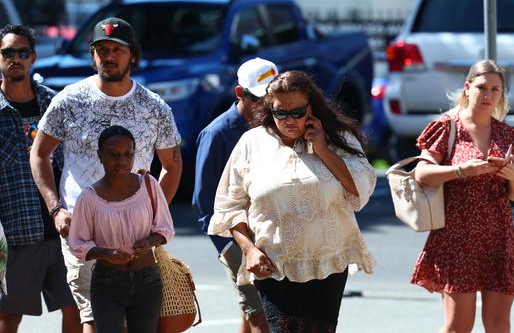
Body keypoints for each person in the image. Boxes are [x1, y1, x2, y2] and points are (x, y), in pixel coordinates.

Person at [30, 17, 182, 333]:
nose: (108, 56)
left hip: (137, 236)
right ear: (92, 55)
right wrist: (56, 209)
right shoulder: (69, 100)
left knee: (133, 322)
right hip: (82, 229)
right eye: (101, 50)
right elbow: (39, 154)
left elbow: (172, 165)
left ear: (133, 56)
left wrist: (154, 218)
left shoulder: (153, 107)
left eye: (117, 49)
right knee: (90, 320)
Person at [208, 70, 376, 332]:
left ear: (312, 108)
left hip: (327, 263)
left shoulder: (337, 139)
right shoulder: (252, 143)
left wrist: (322, 149)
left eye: (297, 112)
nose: (288, 120)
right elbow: (230, 205)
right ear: (269, 109)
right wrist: (249, 249)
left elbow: (360, 190)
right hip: (274, 265)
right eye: (280, 113)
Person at [410, 60, 514, 333]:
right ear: (467, 88)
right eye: (482, 87)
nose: (488, 95)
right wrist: (462, 170)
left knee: (499, 325)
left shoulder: (509, 135)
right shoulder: (448, 126)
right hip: (456, 237)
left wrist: (513, 176)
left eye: (495, 90)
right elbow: (421, 173)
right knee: (457, 326)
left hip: (498, 238)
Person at [0, 24, 79, 333]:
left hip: (64, 230)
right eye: (7, 53)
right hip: (15, 234)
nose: (14, 59)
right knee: (8, 318)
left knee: (77, 311)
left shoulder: (55, 104)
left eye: (22, 53)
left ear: (33, 57)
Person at [193, 58, 277, 333]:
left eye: (273, 98)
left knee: (255, 312)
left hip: (272, 232)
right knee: (260, 316)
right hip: (236, 239)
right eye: (260, 99)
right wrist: (229, 248)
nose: (269, 107)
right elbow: (204, 200)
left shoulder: (278, 125)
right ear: (240, 94)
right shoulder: (216, 134)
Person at [68, 125, 174, 333]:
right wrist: (107, 253)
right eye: (114, 155)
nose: (122, 161)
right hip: (107, 283)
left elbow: (164, 229)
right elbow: (78, 244)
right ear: (100, 155)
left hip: (148, 280)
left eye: (128, 154)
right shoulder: (89, 198)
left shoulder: (149, 185)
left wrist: (148, 242)